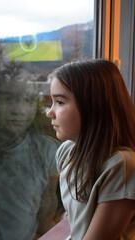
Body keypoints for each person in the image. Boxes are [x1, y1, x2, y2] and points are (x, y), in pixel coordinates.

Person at [46, 59, 135, 240]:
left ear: (93, 105)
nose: (50, 112)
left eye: (60, 102)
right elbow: (76, 221)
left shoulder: (122, 166)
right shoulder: (67, 152)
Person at [0, 77, 60, 240]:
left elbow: (45, 219)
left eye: (28, 100)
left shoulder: (46, 150)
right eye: (8, 99)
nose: (19, 110)